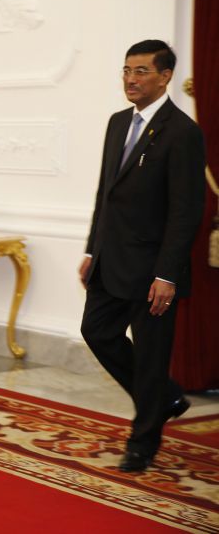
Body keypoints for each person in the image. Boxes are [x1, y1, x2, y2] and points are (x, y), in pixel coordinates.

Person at [79, 39, 205, 473]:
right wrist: (92, 249)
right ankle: (165, 396)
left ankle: (143, 442)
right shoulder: (118, 123)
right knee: (96, 331)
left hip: (154, 270)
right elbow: (105, 194)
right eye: (126, 71)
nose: (131, 80)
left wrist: (167, 274)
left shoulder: (183, 132)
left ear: (165, 75)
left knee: (151, 356)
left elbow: (186, 211)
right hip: (110, 259)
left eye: (142, 71)